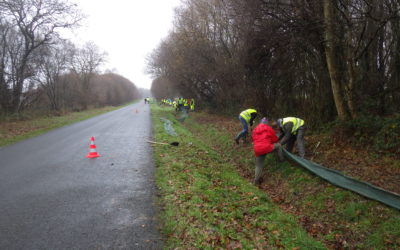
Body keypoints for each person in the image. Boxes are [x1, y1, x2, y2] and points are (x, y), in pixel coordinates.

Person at [252, 117, 280, 185]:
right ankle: (281, 159)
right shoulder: (269, 128)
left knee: (259, 165)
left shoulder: (255, 130)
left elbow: (253, 139)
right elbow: (275, 140)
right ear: (267, 123)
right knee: (278, 146)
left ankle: (256, 181)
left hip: (257, 149)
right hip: (267, 147)